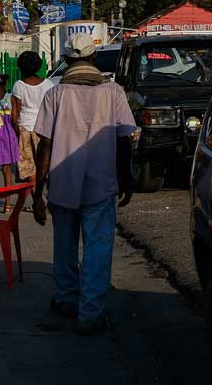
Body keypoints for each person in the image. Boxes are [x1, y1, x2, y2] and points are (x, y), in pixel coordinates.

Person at [33, 33, 138, 335]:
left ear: (66, 60)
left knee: (64, 246)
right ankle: (90, 313)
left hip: (62, 183)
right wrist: (126, 179)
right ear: (93, 59)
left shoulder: (54, 94)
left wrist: (38, 190)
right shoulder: (114, 92)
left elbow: (45, 147)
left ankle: (67, 300)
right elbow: (124, 140)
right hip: (102, 184)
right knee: (97, 250)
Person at [11, 51, 53, 182]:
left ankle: (36, 200)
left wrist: (16, 129)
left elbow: (15, 111)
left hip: (24, 128)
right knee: (44, 165)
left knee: (29, 169)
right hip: (44, 130)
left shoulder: (19, 85)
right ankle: (42, 200)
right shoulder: (49, 84)